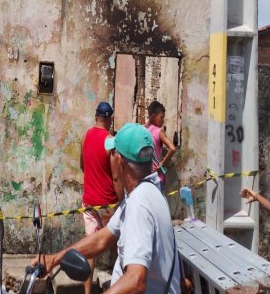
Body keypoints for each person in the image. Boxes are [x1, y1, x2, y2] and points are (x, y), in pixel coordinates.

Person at [41, 123, 180, 294]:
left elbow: (136, 280)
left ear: (120, 162)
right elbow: (102, 239)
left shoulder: (139, 204)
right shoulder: (146, 192)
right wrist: (55, 258)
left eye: (114, 153)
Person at [80, 101, 118, 294]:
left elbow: (82, 166)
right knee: (122, 244)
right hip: (107, 203)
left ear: (96, 117)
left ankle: (87, 293)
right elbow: (116, 175)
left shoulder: (86, 136)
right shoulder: (110, 141)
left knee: (91, 248)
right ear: (110, 119)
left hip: (88, 201)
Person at [145, 101, 176, 187]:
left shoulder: (142, 130)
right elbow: (172, 148)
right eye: (161, 117)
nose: (163, 121)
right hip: (156, 177)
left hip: (144, 177)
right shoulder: (158, 131)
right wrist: (162, 163)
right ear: (154, 116)